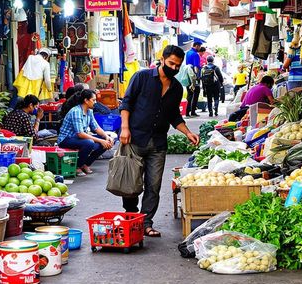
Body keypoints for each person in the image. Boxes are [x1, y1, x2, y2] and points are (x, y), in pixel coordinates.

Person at [119, 45, 200, 237]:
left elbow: (174, 116)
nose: (174, 68)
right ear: (162, 59)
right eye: (171, 63)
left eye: (178, 66)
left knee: (153, 185)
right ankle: (131, 217)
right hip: (134, 139)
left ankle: (146, 222)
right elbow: (127, 102)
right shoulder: (142, 77)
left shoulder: (177, 88)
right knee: (131, 185)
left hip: (158, 144)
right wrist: (124, 128)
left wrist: (187, 132)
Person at [57, 89, 113, 176]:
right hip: (66, 139)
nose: (95, 102)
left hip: (78, 139)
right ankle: (77, 167)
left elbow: (96, 127)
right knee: (89, 143)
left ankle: (85, 164)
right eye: (93, 100)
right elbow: (80, 133)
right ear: (86, 100)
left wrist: (106, 137)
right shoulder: (76, 111)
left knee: (107, 141)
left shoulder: (89, 111)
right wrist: (101, 141)